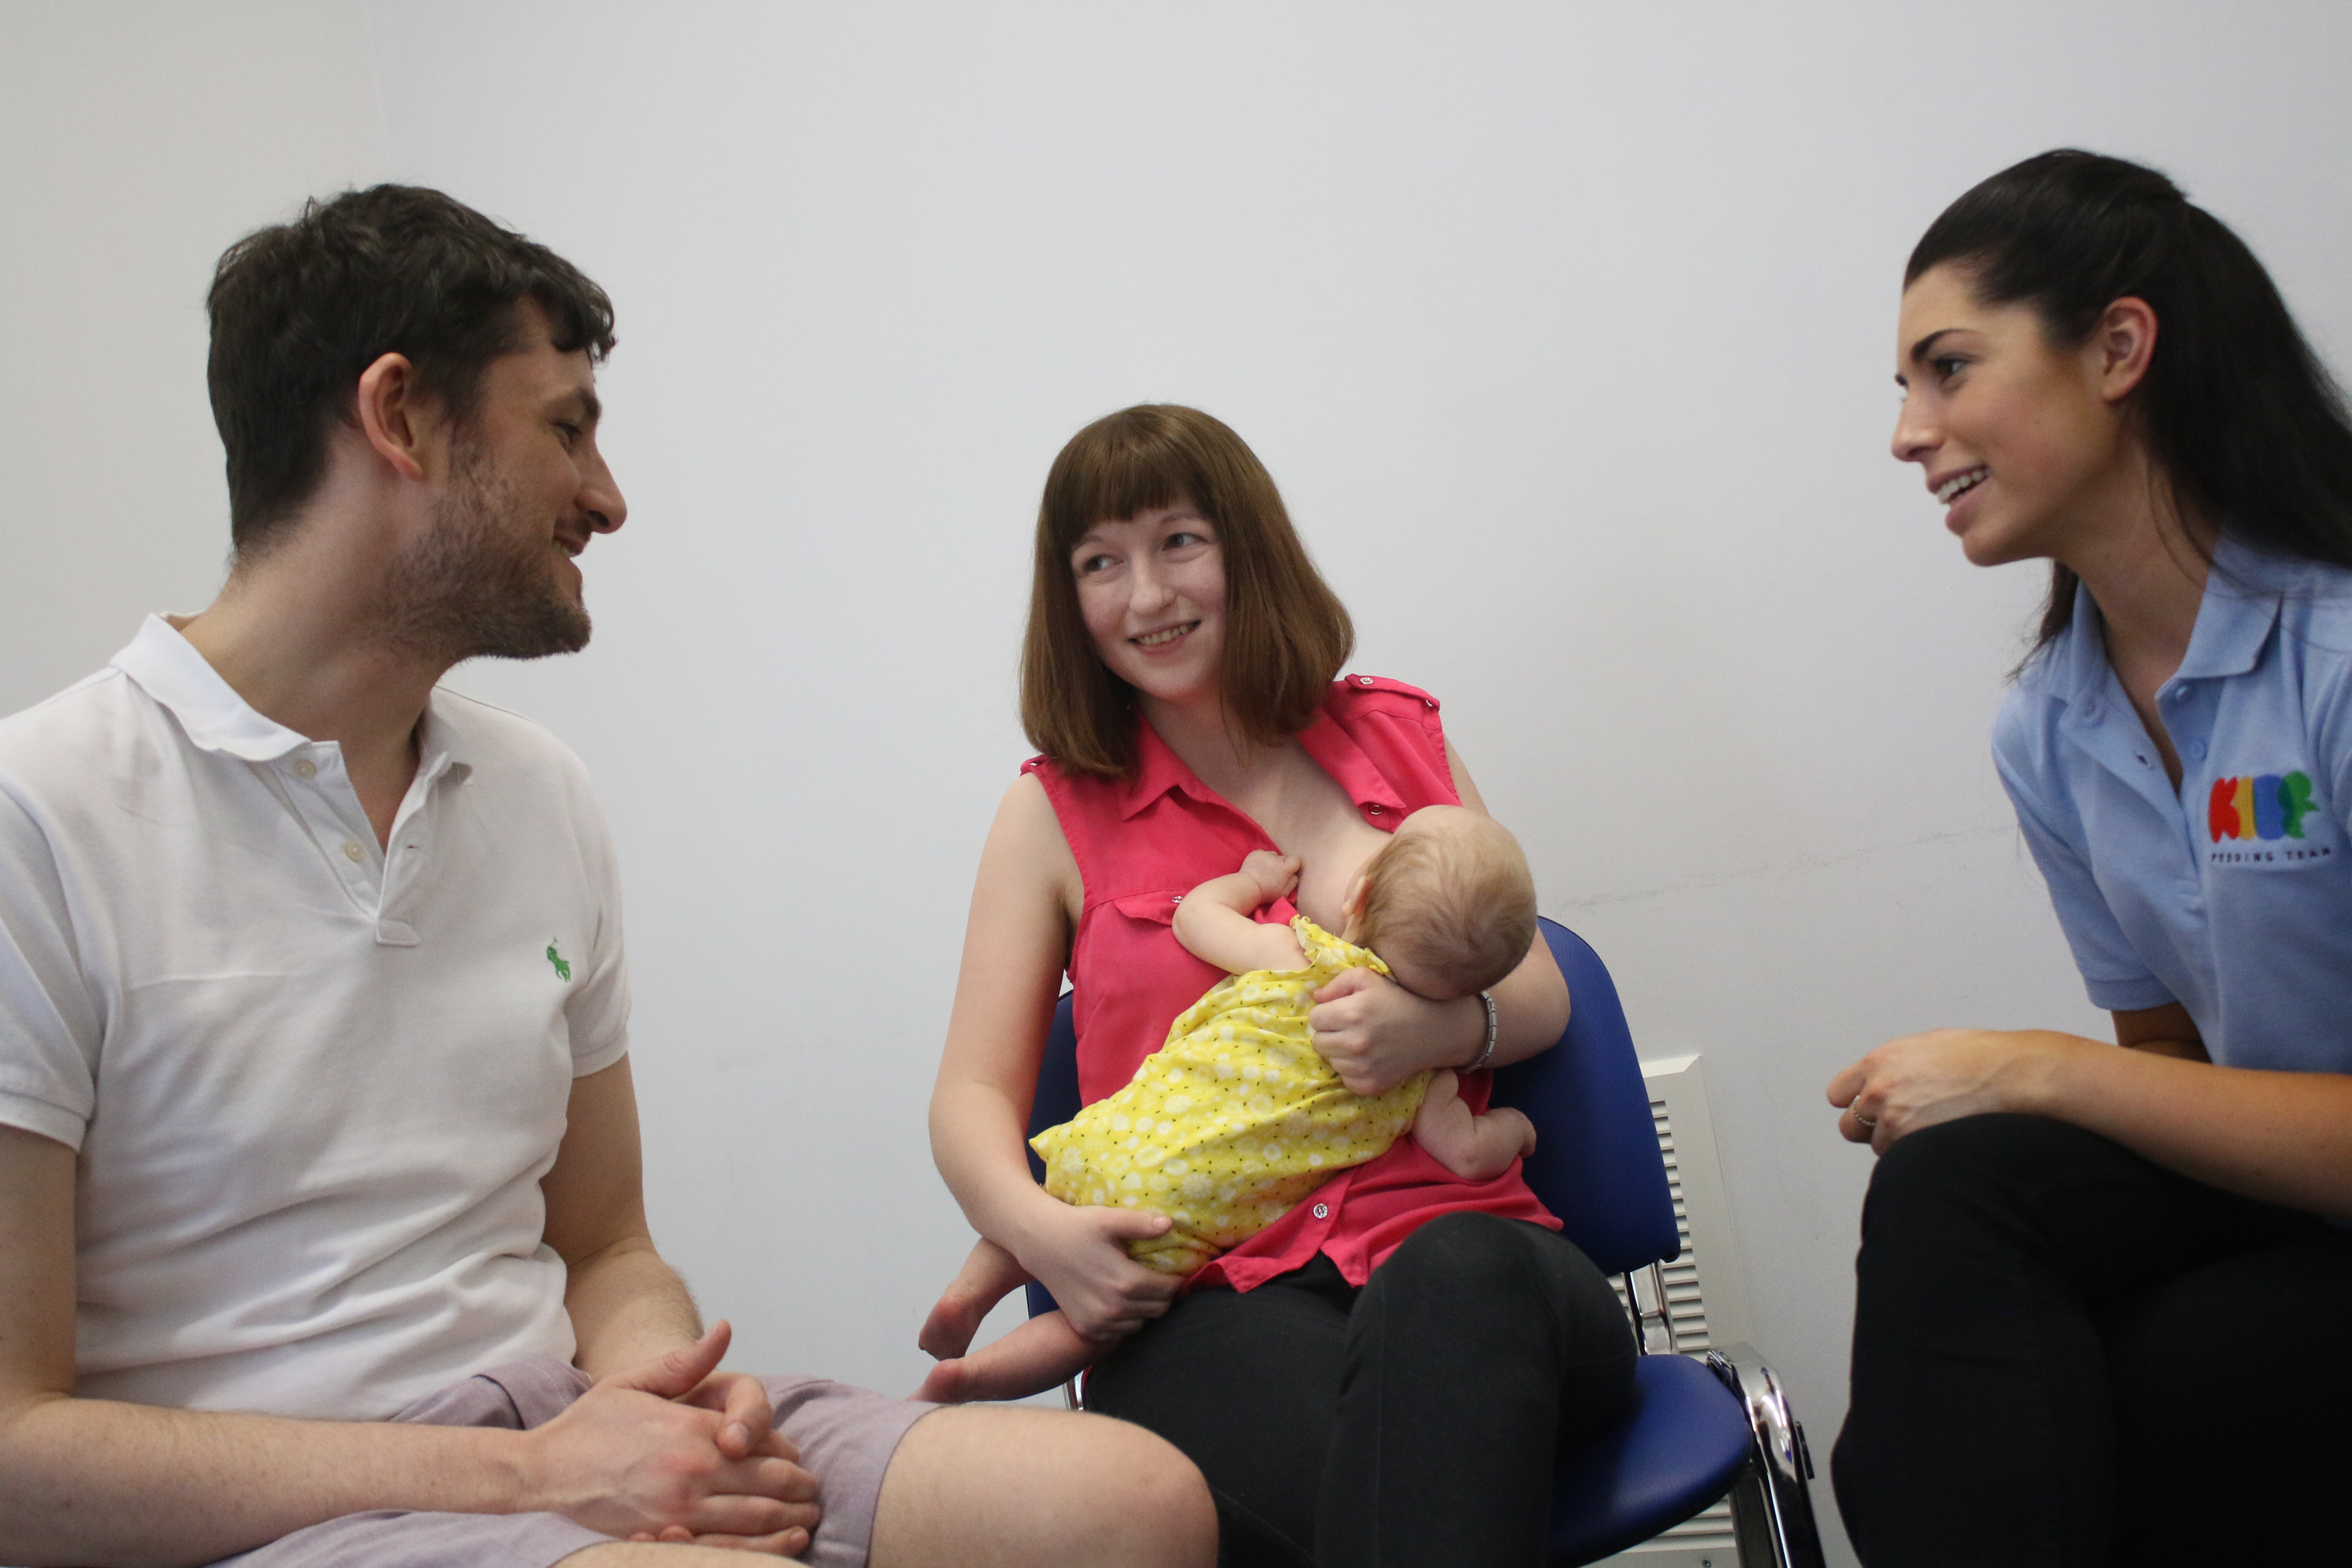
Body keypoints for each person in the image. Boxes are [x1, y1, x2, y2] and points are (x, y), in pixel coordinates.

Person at [0, 185, 1215, 1568]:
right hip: (291, 1509)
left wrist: (660, 1391)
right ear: (398, 418)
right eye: (565, 429)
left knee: (1133, 1506)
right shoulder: (38, 814)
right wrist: (524, 1484)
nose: (608, 498)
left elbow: (605, 1246)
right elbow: (17, 1458)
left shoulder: (535, 794)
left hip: (561, 1427)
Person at [925, 404, 1635, 1568]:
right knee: (1372, 1490)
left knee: (1451, 1301)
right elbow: (967, 1104)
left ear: (1246, 546)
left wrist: (1433, 1026)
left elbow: (1545, 992)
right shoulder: (1047, 815)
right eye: (1101, 563)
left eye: (1178, 543)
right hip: (1216, 1303)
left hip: (1474, 1260)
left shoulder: (1400, 737)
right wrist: (1046, 1242)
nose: (1145, 596)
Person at [1826, 149, 2352, 1565]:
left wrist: (2033, 1065)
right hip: (2294, 1206)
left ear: (2118, 347)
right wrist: (2018, 1093)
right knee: (1953, 1190)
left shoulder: (2340, 655)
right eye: (1903, 387)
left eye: (1946, 368)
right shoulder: (2049, 725)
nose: (1906, 432)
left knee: (2091, 1401)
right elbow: (2174, 1077)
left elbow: (2113, 1079)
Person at [917, 807, 1540, 1403]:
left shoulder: (1295, 957)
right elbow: (1466, 1153)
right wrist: (1512, 1129)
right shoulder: (1420, 1077)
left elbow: (1196, 918)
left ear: (1359, 895)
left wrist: (1253, 881)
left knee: (1057, 1195)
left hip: (1119, 1139)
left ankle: (967, 1297)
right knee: (1093, 1331)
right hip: (1178, 1220)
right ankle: (974, 1379)